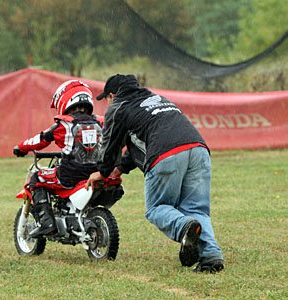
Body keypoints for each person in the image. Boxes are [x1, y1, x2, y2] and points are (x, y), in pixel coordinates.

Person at [86, 74, 224, 273]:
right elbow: (139, 143)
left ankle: (184, 227)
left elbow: (110, 146)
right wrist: (120, 168)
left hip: (166, 154)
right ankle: (211, 257)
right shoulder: (157, 100)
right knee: (196, 209)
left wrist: (102, 171)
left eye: (106, 99)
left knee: (157, 208)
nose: (107, 105)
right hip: (199, 149)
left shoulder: (119, 107)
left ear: (113, 96)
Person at [14, 80, 103, 238]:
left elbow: (40, 140)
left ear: (65, 100)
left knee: (35, 179)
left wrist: (21, 147)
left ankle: (47, 222)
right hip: (98, 172)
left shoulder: (64, 124)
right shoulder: (101, 122)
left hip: (69, 175)